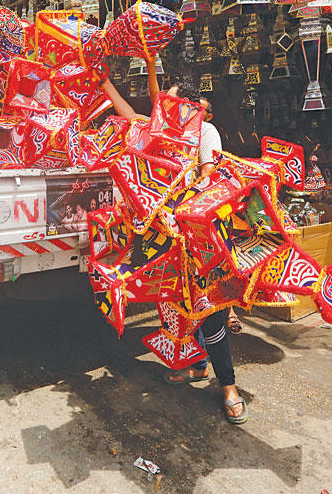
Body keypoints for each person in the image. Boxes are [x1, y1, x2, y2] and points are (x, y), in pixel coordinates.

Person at [102, 62, 247, 424]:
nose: (163, 109)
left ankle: (228, 385)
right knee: (174, 306)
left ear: (188, 108)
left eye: (171, 103)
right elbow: (134, 114)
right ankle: (196, 366)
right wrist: (104, 83)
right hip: (163, 237)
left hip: (196, 236)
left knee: (209, 308)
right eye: (164, 104)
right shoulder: (159, 133)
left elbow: (208, 174)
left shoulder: (205, 132)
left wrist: (184, 187)